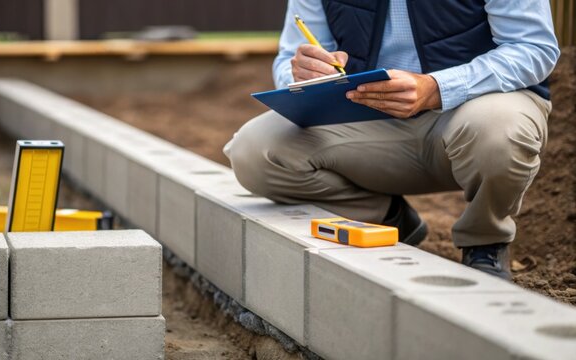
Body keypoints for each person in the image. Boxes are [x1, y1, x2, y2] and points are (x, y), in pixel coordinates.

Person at [224, 0, 560, 280]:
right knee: (255, 150)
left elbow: (533, 48)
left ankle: (485, 242)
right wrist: (302, 73)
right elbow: (289, 59)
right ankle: (390, 219)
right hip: (368, 117)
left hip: (472, 107)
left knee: (499, 131)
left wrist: (438, 88)